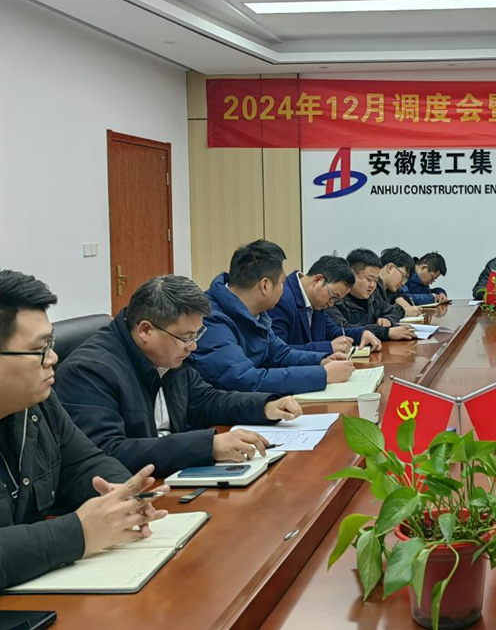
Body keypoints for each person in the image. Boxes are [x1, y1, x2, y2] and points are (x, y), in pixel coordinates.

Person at [0, 270, 167, 589]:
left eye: (51, 344)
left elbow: (85, 462)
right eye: (39, 350)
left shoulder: (39, 403)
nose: (53, 358)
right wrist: (79, 532)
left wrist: (121, 496)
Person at [56, 275, 303, 475]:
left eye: (196, 335)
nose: (193, 346)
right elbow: (106, 453)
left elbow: (205, 400)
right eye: (186, 338)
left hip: (170, 474)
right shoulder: (89, 371)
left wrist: (264, 406)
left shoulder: (167, 356)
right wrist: (207, 446)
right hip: (130, 493)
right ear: (145, 330)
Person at [189, 240, 354, 395]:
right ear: (265, 285)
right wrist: (322, 375)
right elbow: (244, 379)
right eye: (282, 282)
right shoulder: (212, 319)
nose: (285, 288)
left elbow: (280, 354)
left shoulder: (258, 314)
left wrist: (322, 361)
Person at [268, 255, 382, 355]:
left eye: (337, 300)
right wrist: (328, 347)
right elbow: (278, 352)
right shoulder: (281, 299)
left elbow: (331, 332)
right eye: (333, 297)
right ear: (317, 280)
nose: (331, 304)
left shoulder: (316, 301)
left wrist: (361, 333)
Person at [327, 248, 417, 343]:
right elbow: (343, 330)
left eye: (376, 281)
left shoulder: (374, 297)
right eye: (369, 279)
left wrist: (387, 320)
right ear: (351, 275)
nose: (373, 285)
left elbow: (396, 311)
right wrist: (385, 332)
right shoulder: (334, 300)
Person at [379, 247, 422, 318]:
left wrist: (399, 297)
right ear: (390, 268)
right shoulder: (370, 288)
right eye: (404, 276)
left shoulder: (390, 289)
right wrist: (404, 311)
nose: (403, 283)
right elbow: (378, 311)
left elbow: (401, 294)